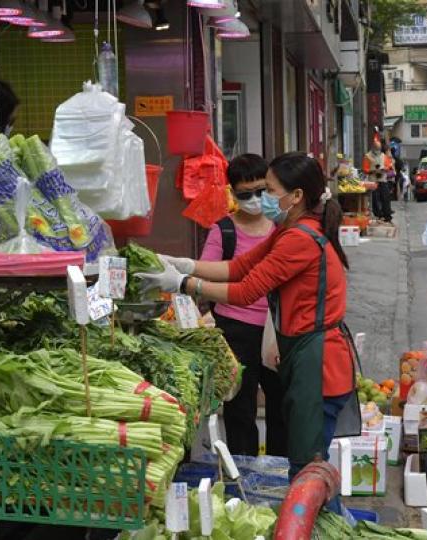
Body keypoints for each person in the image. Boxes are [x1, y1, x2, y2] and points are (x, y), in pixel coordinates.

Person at [138, 152, 356, 506]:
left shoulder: (299, 240)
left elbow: (246, 290)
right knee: (306, 467)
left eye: (270, 190)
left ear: (296, 196)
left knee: (307, 469)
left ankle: (319, 525)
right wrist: (186, 265)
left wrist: (184, 284)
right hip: (307, 358)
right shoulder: (290, 231)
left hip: (319, 364)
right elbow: (240, 267)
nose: (264, 198)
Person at [199, 154, 286, 458]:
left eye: (261, 191)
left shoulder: (283, 228)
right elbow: (206, 271)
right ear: (232, 193)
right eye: (245, 194)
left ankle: (280, 471)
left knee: (281, 407)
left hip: (277, 329)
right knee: (239, 409)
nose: (254, 199)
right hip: (235, 331)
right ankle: (243, 472)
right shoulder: (223, 231)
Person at [363, 139, 393, 223]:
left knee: (385, 197)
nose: (377, 151)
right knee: (374, 198)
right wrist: (373, 171)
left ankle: (387, 215)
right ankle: (378, 214)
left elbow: (388, 166)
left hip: (383, 179)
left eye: (379, 149)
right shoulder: (367, 156)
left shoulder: (384, 156)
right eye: (376, 148)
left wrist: (384, 169)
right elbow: (365, 169)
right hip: (373, 180)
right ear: (373, 148)